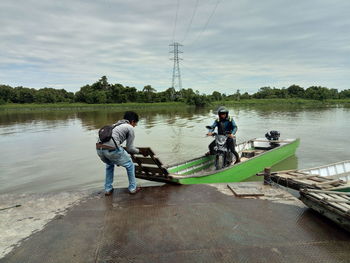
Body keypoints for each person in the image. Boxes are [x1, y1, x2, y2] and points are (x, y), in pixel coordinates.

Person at [96, 111, 143, 196]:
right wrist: (140, 151)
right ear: (132, 121)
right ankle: (133, 188)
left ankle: (108, 189)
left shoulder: (114, 125)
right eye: (135, 123)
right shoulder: (129, 127)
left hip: (99, 149)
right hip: (112, 150)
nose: (135, 125)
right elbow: (130, 148)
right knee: (130, 165)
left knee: (109, 165)